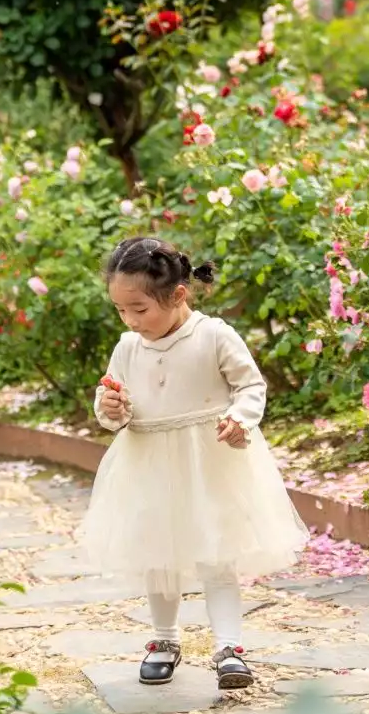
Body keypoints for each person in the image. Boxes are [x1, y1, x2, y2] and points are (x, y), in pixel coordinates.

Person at [80, 235, 309, 689]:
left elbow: (250, 387)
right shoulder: (128, 347)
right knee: (157, 557)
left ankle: (229, 647)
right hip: (148, 464)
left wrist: (239, 418)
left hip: (210, 461)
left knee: (216, 553)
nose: (130, 320)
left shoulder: (214, 336)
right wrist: (109, 409)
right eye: (121, 310)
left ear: (178, 294)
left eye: (140, 309)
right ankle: (164, 639)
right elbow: (116, 403)